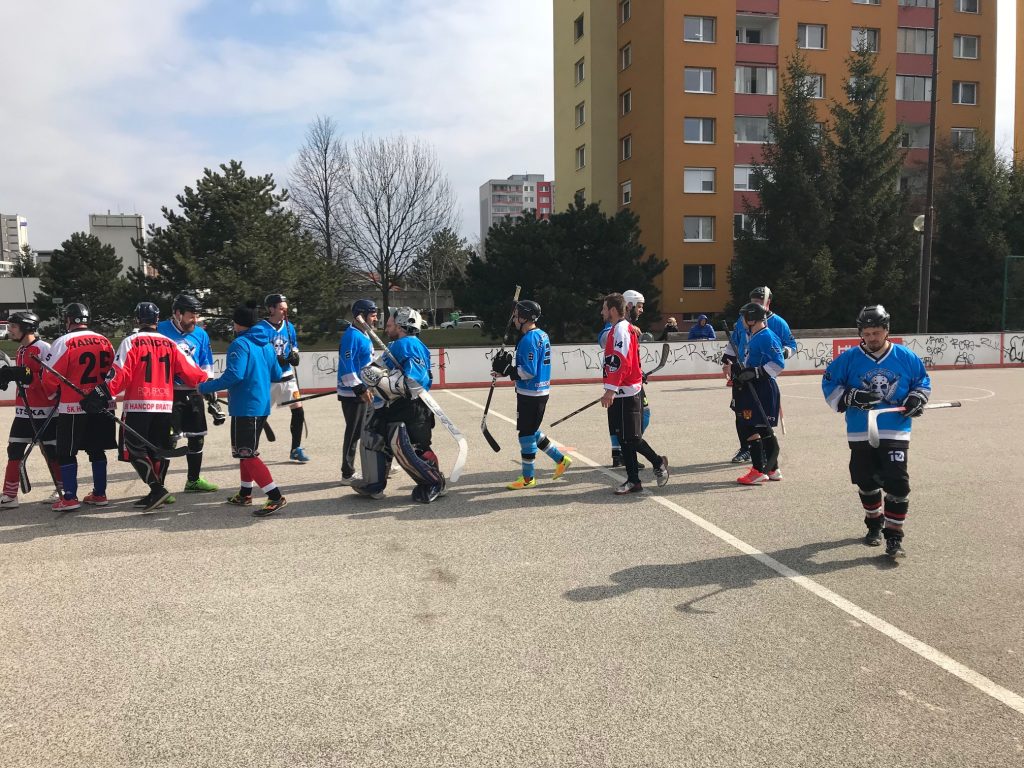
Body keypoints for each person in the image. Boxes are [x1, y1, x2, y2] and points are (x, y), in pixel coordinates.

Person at [821, 305, 930, 559]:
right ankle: (874, 523)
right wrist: (851, 396)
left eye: (877, 332)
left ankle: (894, 538)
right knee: (866, 481)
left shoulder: (905, 357)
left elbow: (922, 381)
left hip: (895, 427)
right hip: (861, 429)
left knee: (898, 483)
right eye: (867, 333)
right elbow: (829, 383)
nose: (872, 338)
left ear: (887, 330)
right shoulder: (848, 359)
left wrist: (917, 398)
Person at [81, 302, 208, 512]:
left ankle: (157, 489)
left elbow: (120, 374)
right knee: (157, 450)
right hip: (165, 405)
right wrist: (208, 384)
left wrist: (100, 393)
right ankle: (156, 492)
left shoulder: (131, 341)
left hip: (139, 404)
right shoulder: (170, 343)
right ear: (157, 320)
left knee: (134, 449)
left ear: (137, 320)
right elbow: (192, 372)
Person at [197, 302, 287, 517]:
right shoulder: (266, 343)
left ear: (237, 324)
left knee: (247, 454)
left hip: (245, 406)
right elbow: (277, 373)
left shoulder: (240, 344)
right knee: (244, 452)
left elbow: (234, 375)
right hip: (261, 405)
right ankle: (245, 493)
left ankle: (275, 496)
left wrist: (204, 387)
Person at [352, 307, 445, 503]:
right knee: (373, 437)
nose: (386, 327)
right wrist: (369, 378)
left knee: (407, 446)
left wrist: (385, 382)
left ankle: (433, 481)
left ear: (402, 324)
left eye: (390, 324)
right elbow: (377, 369)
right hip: (392, 405)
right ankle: (374, 483)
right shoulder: (396, 345)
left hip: (411, 407)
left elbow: (416, 381)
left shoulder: (409, 344)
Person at [40, 302, 117, 512]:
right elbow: (114, 372)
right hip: (101, 404)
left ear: (68, 320)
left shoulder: (64, 342)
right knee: (97, 449)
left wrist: (53, 393)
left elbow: (49, 375)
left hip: (73, 406)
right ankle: (100, 494)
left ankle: (70, 497)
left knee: (66, 451)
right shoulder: (104, 341)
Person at [490, 300, 572, 489]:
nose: (514, 319)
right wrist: (506, 372)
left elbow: (529, 371)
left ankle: (528, 478)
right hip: (535, 392)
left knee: (525, 434)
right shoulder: (541, 334)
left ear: (525, 318)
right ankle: (561, 460)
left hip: (531, 394)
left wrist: (509, 370)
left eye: (516, 315)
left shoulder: (529, 339)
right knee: (531, 431)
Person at [600, 292, 669, 494]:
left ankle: (658, 462)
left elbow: (620, 361)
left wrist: (610, 390)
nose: (602, 312)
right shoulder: (619, 329)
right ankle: (633, 481)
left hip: (626, 393)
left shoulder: (621, 330)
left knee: (631, 438)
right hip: (622, 392)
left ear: (613, 310)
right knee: (623, 438)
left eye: (604, 308)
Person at [722, 286, 796, 463]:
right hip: (742, 373)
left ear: (767, 302)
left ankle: (765, 454)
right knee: (741, 414)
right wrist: (727, 361)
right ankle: (746, 449)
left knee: (761, 418)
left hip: (761, 375)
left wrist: (783, 352)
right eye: (753, 300)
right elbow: (734, 341)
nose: (754, 303)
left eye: (758, 301)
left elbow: (792, 345)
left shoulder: (778, 323)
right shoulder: (744, 318)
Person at [157, 293, 221, 494]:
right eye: (191, 315)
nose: (195, 319)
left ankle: (193, 481)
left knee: (197, 437)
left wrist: (210, 389)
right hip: (168, 394)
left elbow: (206, 362)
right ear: (177, 313)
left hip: (194, 392)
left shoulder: (201, 334)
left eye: (197, 315)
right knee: (168, 441)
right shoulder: (160, 330)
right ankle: (159, 488)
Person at [0, 311, 63, 507]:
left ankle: (62, 490)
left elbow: (52, 379)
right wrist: (10, 376)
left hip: (45, 412)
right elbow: (23, 376)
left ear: (26, 327)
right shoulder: (21, 350)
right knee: (14, 449)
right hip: (23, 412)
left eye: (13, 326)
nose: (10, 330)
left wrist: (26, 376)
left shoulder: (43, 348)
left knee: (51, 452)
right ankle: (10, 495)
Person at [730, 303, 785, 485]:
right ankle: (772, 469)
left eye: (743, 317)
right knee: (760, 428)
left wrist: (755, 373)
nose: (741, 321)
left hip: (762, 388)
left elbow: (778, 363)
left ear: (751, 318)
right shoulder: (754, 335)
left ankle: (758, 470)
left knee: (749, 427)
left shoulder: (766, 336)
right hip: (753, 386)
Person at [599, 289, 652, 469]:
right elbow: (605, 339)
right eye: (639, 306)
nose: (641, 310)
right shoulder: (617, 327)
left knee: (621, 422)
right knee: (639, 418)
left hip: (626, 381)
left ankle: (620, 453)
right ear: (629, 305)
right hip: (623, 384)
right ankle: (646, 458)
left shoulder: (626, 327)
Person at [260, 293, 309, 463]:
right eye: (281, 309)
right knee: (259, 415)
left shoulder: (289, 326)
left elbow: (293, 345)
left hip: (287, 377)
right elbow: (259, 352)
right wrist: (274, 359)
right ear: (271, 309)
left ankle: (296, 448)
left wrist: (294, 355)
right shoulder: (261, 329)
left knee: (298, 410)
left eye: (286, 309)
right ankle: (251, 450)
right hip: (269, 379)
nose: (285, 312)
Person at [337, 299, 378, 484]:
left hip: (366, 391)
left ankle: (377, 464)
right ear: (361, 315)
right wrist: (359, 388)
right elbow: (347, 366)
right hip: (354, 394)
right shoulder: (351, 336)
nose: (376, 318)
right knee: (354, 433)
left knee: (371, 429)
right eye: (373, 315)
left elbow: (367, 361)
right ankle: (347, 473)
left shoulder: (364, 333)